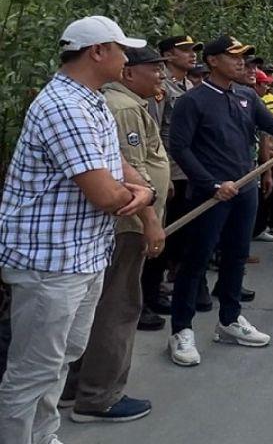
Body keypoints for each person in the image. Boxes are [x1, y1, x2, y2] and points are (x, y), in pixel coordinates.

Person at [0, 16, 160, 444]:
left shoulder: (90, 100)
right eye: (122, 49)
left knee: (60, 359)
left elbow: (114, 164)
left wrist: (139, 189)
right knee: (32, 370)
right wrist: (143, 198)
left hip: (81, 255)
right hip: (51, 263)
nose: (127, 57)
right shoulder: (65, 107)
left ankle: (42, 434)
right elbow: (106, 195)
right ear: (98, 52)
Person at [167, 35, 273, 366]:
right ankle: (181, 330)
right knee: (195, 262)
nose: (242, 63)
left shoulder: (245, 97)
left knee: (237, 257)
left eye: (244, 58)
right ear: (212, 61)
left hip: (245, 190)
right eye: (234, 57)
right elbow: (180, 148)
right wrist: (210, 184)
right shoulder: (191, 101)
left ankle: (229, 320)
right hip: (210, 195)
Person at [62, 46, 171, 423]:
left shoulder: (114, 103)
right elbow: (126, 174)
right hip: (127, 224)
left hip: (129, 219)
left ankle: (74, 386)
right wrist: (149, 219)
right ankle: (98, 396)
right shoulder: (121, 108)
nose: (160, 75)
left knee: (100, 306)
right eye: (152, 68)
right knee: (118, 307)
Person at [139, 35, 205, 328]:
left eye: (194, 50)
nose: (192, 55)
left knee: (174, 240)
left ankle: (157, 291)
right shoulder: (158, 90)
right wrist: (159, 177)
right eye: (185, 50)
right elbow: (152, 137)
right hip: (168, 175)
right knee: (156, 238)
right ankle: (145, 299)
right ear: (168, 55)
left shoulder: (185, 87)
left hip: (185, 173)